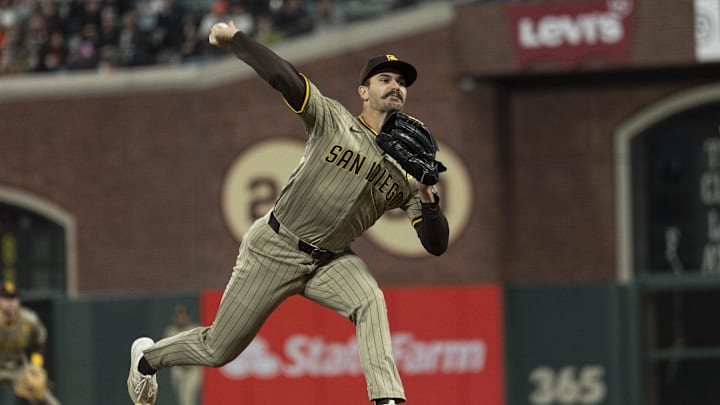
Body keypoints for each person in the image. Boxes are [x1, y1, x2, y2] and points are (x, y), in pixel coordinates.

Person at [127, 19, 449, 405]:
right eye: (386, 79)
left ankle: (388, 400)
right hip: (275, 247)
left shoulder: (408, 172)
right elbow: (286, 78)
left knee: (369, 300)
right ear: (363, 91)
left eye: (401, 81)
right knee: (218, 349)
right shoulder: (333, 120)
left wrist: (428, 193)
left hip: (331, 261)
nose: (396, 85)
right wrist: (237, 40)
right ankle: (147, 359)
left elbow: (436, 244)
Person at [0, 282, 61, 405]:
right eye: (6, 298)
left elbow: (39, 342)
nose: (10, 303)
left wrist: (36, 364)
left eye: (13, 298)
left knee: (45, 398)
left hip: (17, 368)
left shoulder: (29, 320)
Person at [163, 305, 201, 405]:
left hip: (192, 368)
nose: (180, 319)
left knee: (188, 398)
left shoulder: (194, 330)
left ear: (187, 317)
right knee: (181, 398)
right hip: (178, 368)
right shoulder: (171, 331)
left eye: (182, 316)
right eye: (178, 317)